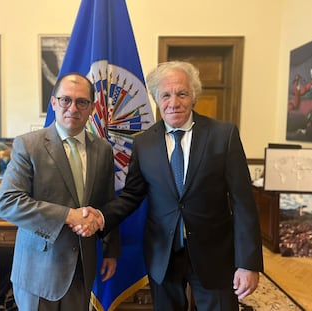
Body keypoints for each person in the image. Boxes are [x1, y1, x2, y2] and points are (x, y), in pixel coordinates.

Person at [76, 61, 264, 311]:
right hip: (163, 255)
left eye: (182, 93)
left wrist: (248, 263)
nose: (173, 102)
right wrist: (101, 217)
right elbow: (132, 196)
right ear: (156, 98)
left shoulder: (223, 135)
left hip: (214, 254)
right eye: (165, 94)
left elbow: (243, 203)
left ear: (193, 96)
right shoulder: (144, 144)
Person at [0, 72, 120, 311]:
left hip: (82, 267)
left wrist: (110, 250)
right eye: (65, 100)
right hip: (38, 270)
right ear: (53, 103)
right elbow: (8, 202)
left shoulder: (103, 150)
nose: (72, 108)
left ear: (91, 108)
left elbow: (107, 202)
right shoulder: (28, 145)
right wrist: (68, 215)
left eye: (81, 102)